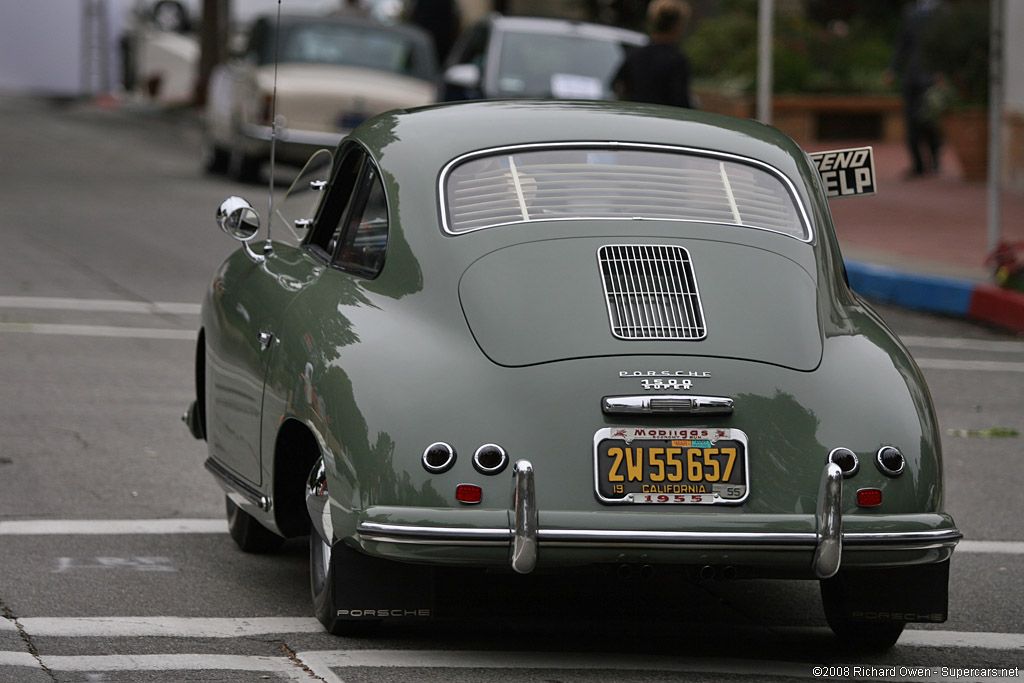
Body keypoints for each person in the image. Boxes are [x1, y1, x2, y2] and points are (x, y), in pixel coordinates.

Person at [886, 0, 945, 177]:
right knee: (911, 122)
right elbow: (902, 43)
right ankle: (917, 164)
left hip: (931, 77)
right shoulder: (911, 11)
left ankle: (934, 160)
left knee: (929, 121)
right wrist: (892, 68)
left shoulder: (943, 12)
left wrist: (944, 72)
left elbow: (948, 46)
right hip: (911, 76)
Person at [613, 0, 693, 109]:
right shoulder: (677, 60)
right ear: (678, 25)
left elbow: (616, 85)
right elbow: (680, 101)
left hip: (635, 118)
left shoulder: (635, 55)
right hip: (664, 122)